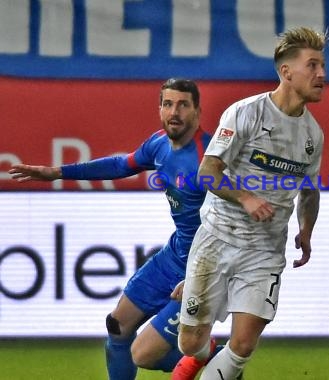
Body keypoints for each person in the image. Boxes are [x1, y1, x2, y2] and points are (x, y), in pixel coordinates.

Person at [9, 78, 211, 380]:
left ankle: (221, 358)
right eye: (168, 104)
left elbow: (228, 224)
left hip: (203, 263)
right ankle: (215, 357)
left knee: (146, 355)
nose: (175, 112)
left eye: (183, 104)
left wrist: (201, 275)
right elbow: (121, 165)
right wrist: (57, 173)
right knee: (118, 326)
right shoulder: (159, 144)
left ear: (197, 111)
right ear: (159, 109)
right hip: (175, 255)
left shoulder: (207, 159)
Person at [171, 26, 326, 380]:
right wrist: (246, 197)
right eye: (313, 65)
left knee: (242, 345)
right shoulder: (246, 113)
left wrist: (306, 230)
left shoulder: (313, 135)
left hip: (265, 250)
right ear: (287, 72)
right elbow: (207, 172)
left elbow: (310, 190)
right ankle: (203, 351)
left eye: (322, 66)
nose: (322, 75)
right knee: (190, 344)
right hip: (217, 239)